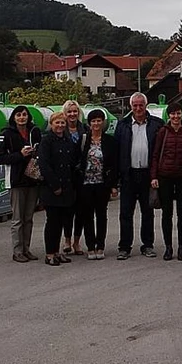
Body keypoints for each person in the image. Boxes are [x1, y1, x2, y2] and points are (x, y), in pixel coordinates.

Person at [114, 92, 164, 259]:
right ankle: (124, 247)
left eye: (140, 105)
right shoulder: (122, 125)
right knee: (126, 213)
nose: (138, 108)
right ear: (131, 107)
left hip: (148, 175)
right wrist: (117, 178)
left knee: (148, 212)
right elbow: (117, 153)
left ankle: (148, 245)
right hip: (128, 174)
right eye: (135, 105)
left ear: (146, 106)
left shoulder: (156, 125)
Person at [0, 105, 42, 263]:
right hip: (16, 181)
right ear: (13, 117)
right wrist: (19, 155)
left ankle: (26, 249)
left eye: (24, 115)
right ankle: (17, 251)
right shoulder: (6, 134)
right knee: (17, 218)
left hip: (32, 179)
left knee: (28, 217)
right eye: (19, 115)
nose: (22, 117)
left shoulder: (34, 131)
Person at [150, 102, 182, 261]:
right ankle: (168, 247)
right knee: (166, 213)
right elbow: (155, 155)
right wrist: (154, 176)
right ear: (168, 115)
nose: (176, 117)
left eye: (178, 113)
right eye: (173, 114)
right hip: (165, 176)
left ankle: (181, 247)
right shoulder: (162, 132)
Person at [37, 111, 79, 267]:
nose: (60, 126)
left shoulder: (68, 141)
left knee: (62, 222)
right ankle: (49, 253)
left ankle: (57, 252)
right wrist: (55, 186)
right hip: (51, 189)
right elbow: (44, 166)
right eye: (57, 123)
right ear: (51, 124)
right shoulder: (46, 141)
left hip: (67, 188)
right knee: (52, 222)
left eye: (62, 123)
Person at [78, 108, 119, 261]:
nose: (96, 123)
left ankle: (100, 246)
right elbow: (78, 162)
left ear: (103, 123)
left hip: (102, 183)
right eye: (93, 121)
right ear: (89, 124)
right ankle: (90, 246)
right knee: (87, 216)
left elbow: (114, 165)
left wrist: (114, 185)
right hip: (86, 183)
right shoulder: (83, 140)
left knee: (101, 215)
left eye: (99, 120)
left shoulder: (110, 141)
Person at [61, 99, 88, 256]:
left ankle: (77, 241)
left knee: (81, 211)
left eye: (75, 111)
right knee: (67, 210)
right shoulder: (60, 130)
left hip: (81, 175)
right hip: (66, 176)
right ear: (65, 114)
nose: (72, 114)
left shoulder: (84, 130)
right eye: (69, 111)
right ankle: (67, 240)